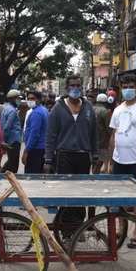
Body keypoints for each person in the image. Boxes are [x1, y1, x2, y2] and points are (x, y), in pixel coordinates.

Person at [105, 74, 136, 248]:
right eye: (125, 86)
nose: (128, 89)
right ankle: (121, 228)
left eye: (131, 85)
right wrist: (110, 161)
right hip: (119, 161)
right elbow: (113, 136)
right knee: (119, 198)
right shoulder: (118, 109)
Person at [45, 74, 97, 238]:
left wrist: (95, 155)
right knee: (67, 193)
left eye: (78, 86)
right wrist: (48, 159)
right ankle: (67, 231)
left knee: (81, 194)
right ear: (67, 88)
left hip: (83, 156)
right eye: (72, 86)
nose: (75, 88)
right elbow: (51, 136)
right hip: (64, 156)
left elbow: (94, 133)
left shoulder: (88, 107)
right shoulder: (58, 108)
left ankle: (78, 227)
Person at [22, 90, 48, 174]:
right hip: (41, 149)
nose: (30, 101)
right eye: (28, 99)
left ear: (39, 100)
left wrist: (26, 151)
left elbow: (34, 134)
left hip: (35, 150)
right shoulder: (44, 110)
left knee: (32, 177)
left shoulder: (36, 113)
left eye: (33, 98)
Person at [0, 90, 23, 174]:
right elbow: (6, 127)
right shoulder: (12, 111)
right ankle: (2, 174)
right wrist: (4, 141)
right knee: (13, 162)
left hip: (10, 140)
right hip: (14, 140)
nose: (19, 100)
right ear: (11, 99)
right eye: (17, 98)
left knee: (12, 161)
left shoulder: (6, 108)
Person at [93, 93, 113, 174]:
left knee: (94, 161)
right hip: (102, 141)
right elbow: (109, 128)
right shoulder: (105, 112)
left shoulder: (90, 109)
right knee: (100, 161)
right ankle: (95, 177)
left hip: (91, 141)